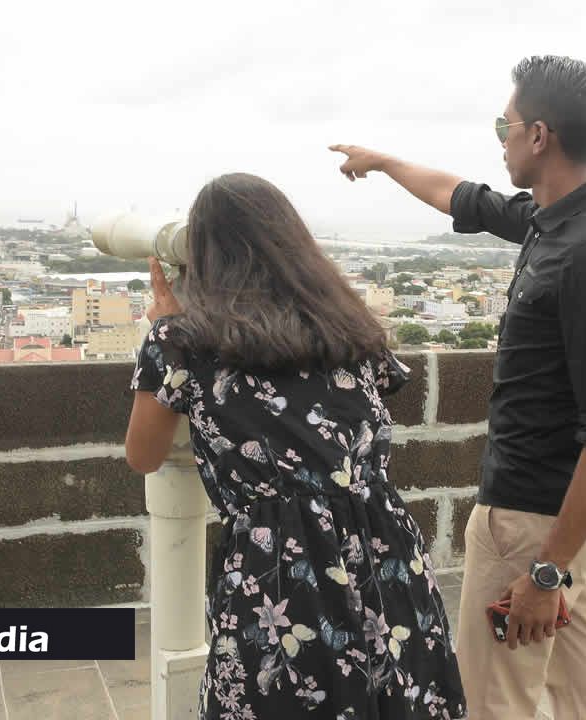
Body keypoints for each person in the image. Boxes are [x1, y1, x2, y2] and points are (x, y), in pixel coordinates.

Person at [330, 55, 586, 719]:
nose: (498, 139)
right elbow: (459, 193)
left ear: (539, 136)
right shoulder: (551, 220)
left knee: (494, 696)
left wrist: (546, 571)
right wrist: (385, 162)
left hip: (535, 521)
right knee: (585, 688)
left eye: (505, 126)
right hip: (573, 516)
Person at [125, 173, 467, 720]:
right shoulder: (353, 328)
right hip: (386, 556)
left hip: (279, 576)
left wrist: (164, 332)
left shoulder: (183, 341)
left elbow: (142, 455)